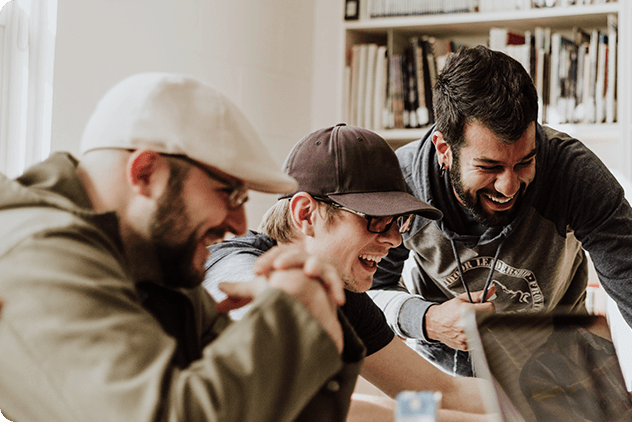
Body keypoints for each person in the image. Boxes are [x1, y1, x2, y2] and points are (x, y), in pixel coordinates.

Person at [0, 73, 364, 422]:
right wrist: (293, 312)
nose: (240, 223)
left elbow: (267, 409)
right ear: (145, 172)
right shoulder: (39, 255)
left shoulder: (158, 266)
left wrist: (317, 315)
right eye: (230, 193)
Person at [368, 45, 632, 420]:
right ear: (444, 148)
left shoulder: (573, 173)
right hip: (441, 381)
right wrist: (426, 320)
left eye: (524, 162)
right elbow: (368, 291)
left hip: (557, 377)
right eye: (489, 167)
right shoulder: (402, 181)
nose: (508, 186)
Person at [204, 124, 494, 422]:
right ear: (305, 214)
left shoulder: (342, 293)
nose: (395, 240)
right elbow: (306, 410)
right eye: (376, 219)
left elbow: (442, 390)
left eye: (399, 221)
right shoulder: (235, 268)